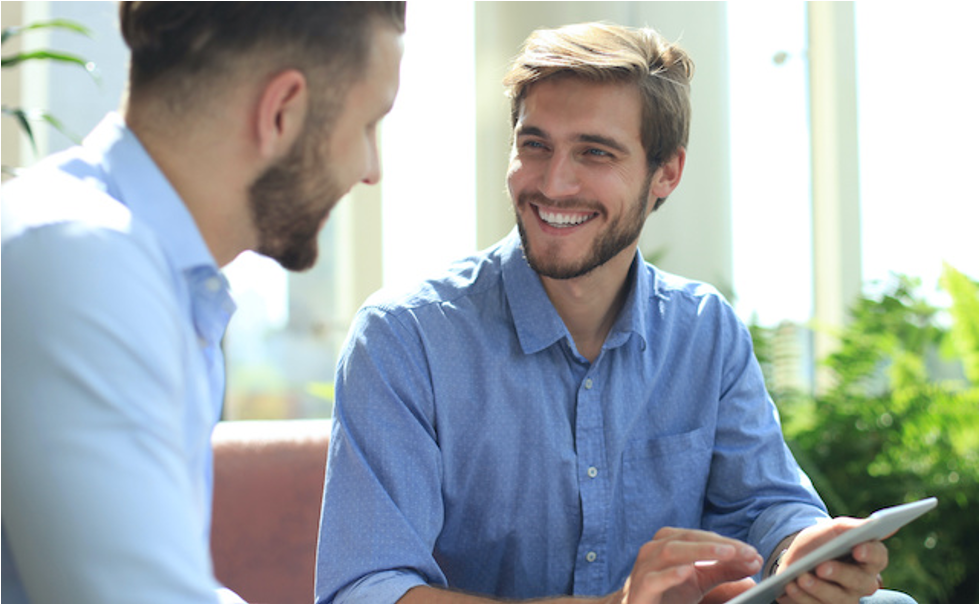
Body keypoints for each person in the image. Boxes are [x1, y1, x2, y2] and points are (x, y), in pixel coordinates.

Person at [315, 22, 916, 604]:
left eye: (595, 153)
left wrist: (800, 555)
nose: (554, 183)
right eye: (535, 146)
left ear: (667, 174)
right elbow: (367, 589)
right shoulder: (406, 336)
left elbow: (765, 506)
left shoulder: (704, 330)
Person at [1, 2, 405, 603]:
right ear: (282, 112)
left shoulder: (156, 275)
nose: (371, 170)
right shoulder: (82, 260)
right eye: (369, 125)